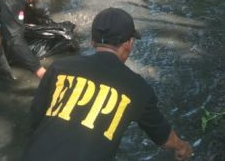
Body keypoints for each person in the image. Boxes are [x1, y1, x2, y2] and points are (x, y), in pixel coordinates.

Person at [22, 8, 194, 160]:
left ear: (92, 41)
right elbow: (164, 138)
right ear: (129, 44)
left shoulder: (60, 67)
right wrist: (182, 147)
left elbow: (35, 117)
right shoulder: (137, 89)